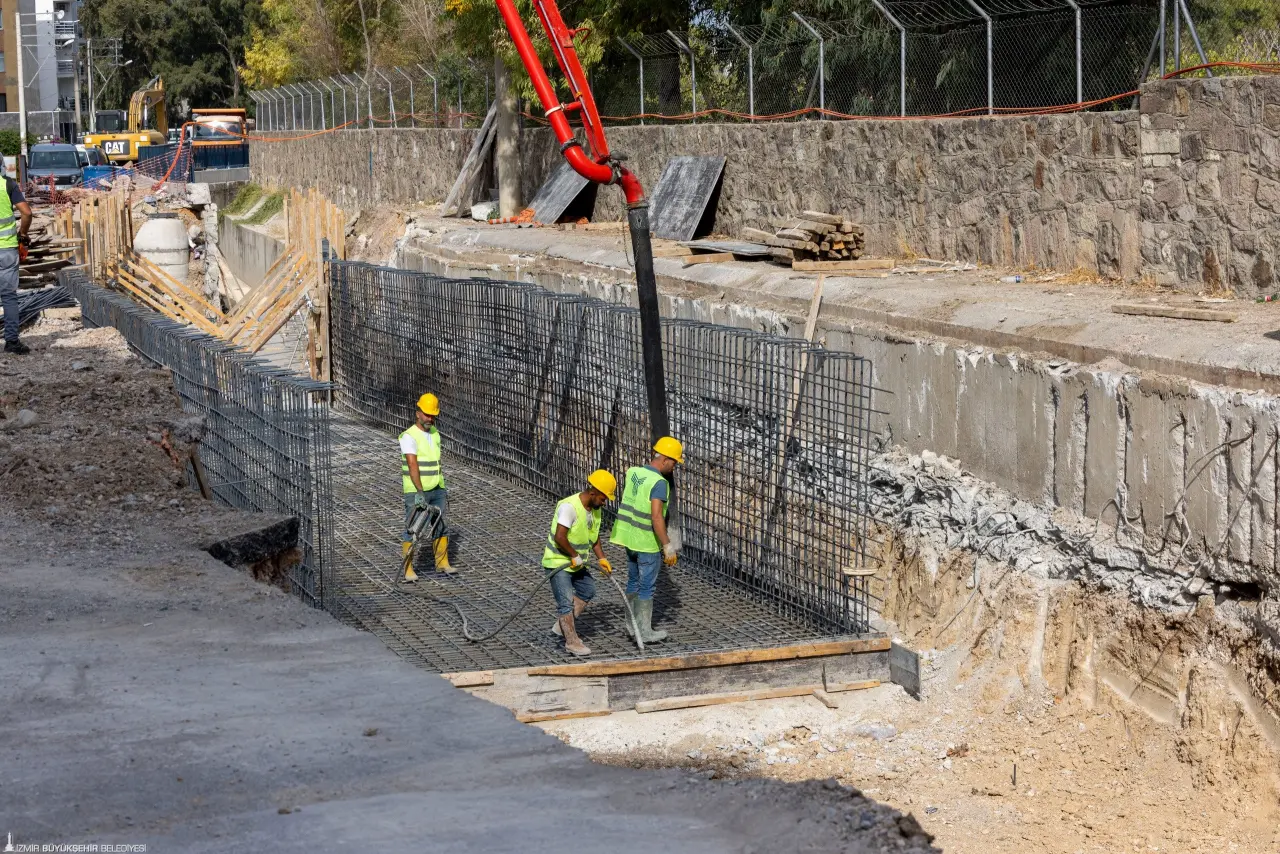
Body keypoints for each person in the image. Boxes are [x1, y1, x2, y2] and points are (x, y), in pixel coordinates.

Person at [609, 436, 683, 643]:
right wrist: (667, 545)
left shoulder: (634, 472)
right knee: (647, 586)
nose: (674, 467)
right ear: (666, 459)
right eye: (675, 462)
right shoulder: (659, 483)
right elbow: (656, 516)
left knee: (633, 580)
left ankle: (631, 626)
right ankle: (645, 631)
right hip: (646, 541)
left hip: (628, 537)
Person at [542, 469, 617, 657]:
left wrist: (602, 558)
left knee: (588, 590)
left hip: (577, 563)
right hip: (558, 561)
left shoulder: (594, 510)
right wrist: (574, 555)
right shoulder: (569, 507)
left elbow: (594, 537)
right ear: (592, 493)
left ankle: (561, 626)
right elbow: (560, 537)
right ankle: (572, 641)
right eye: (602, 497)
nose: (604, 501)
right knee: (565, 602)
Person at [399, 393, 452, 581]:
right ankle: (408, 569)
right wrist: (419, 492)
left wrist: (442, 487)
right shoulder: (409, 437)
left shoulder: (435, 433)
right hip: (417, 491)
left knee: (440, 526)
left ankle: (442, 562)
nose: (430, 418)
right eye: (427, 414)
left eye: (433, 415)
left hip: (437, 488)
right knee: (413, 529)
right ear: (418, 413)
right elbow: (413, 465)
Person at [1, 175, 33, 355]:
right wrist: (23, 233)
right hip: (6, 249)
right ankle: (12, 342)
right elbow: (27, 212)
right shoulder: (6, 184)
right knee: (8, 297)